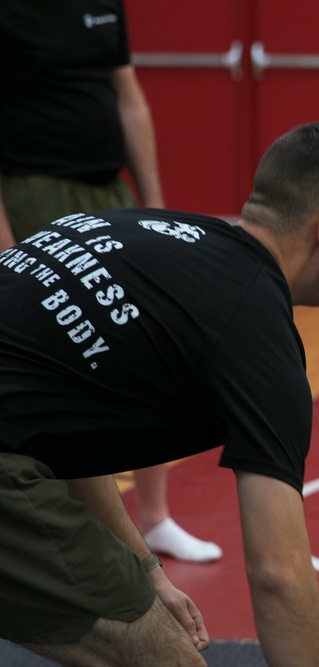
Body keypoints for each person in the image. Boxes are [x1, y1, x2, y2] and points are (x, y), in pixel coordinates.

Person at [0, 121, 319, 666]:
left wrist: (147, 572)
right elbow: (278, 574)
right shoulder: (254, 333)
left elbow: (59, 429)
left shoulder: (157, 241)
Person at [0, 0, 221, 563]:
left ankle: (154, 517)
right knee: (56, 359)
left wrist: (157, 208)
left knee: (144, 338)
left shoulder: (103, 4)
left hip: (108, 189)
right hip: (33, 188)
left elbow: (130, 100)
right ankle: (56, 533)